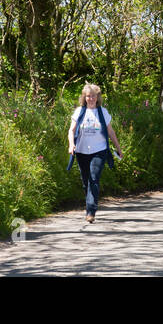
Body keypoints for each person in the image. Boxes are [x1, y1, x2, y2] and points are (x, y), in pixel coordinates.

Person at [66, 83, 123, 224]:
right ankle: (90, 205)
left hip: (99, 150)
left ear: (97, 97)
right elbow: (71, 130)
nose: (91, 98)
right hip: (81, 151)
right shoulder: (79, 111)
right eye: (88, 96)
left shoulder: (103, 112)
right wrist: (71, 144)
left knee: (94, 178)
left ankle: (91, 211)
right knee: (86, 182)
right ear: (84, 98)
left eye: (93, 96)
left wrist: (118, 148)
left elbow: (110, 131)